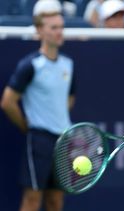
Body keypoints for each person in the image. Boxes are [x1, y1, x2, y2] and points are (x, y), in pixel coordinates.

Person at [0, 0, 76, 210]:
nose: (59, 32)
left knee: (55, 200)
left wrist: (57, 117)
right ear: (40, 31)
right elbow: (8, 102)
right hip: (39, 140)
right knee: (32, 199)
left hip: (63, 141)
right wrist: (29, 125)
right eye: (54, 28)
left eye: (61, 27)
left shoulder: (68, 64)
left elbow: (69, 99)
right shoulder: (30, 65)